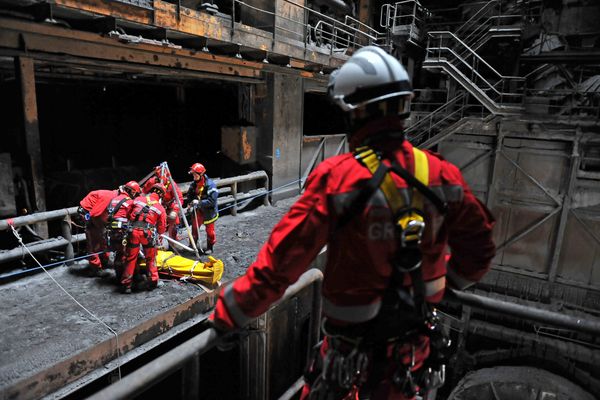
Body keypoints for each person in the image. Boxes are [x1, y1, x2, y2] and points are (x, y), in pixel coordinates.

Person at [209, 46, 496, 399]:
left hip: (349, 366)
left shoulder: (338, 179)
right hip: (412, 360)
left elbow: (279, 266)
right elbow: (480, 247)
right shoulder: (442, 175)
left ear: (354, 112)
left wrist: (229, 314)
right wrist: (446, 282)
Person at [121, 183, 167, 293]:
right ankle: (153, 281)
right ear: (161, 195)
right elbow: (161, 228)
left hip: (133, 232)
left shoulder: (138, 199)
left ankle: (126, 284)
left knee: (130, 258)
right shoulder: (160, 208)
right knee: (150, 258)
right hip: (147, 234)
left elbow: (128, 213)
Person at [78, 188, 118, 276]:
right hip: (88, 213)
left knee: (103, 238)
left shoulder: (115, 197)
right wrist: (103, 226)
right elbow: (95, 213)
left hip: (96, 212)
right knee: (93, 241)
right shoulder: (108, 197)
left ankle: (105, 260)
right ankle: (95, 267)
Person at [105, 181, 141, 280]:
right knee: (128, 254)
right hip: (123, 232)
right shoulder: (129, 202)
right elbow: (133, 217)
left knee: (119, 253)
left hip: (112, 232)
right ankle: (128, 278)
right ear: (132, 192)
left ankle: (118, 276)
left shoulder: (114, 200)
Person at [184, 162, 218, 254]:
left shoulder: (210, 185)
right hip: (198, 211)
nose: (193, 176)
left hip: (208, 212)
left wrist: (199, 202)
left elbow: (212, 201)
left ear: (201, 174)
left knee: (210, 232)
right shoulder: (194, 184)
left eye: (195, 174)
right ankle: (193, 245)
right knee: (194, 229)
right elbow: (189, 195)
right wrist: (190, 203)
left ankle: (210, 246)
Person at [142, 165, 183, 240]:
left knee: (174, 221)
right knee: (157, 225)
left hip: (169, 206)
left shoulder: (171, 184)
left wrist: (175, 210)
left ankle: (172, 241)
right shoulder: (152, 182)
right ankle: (158, 243)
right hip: (156, 206)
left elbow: (179, 198)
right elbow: (143, 192)